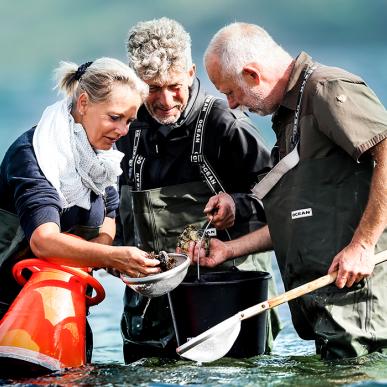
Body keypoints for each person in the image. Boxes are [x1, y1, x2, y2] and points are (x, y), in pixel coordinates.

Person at [196, 22, 387, 359]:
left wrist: (362, 245)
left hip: (361, 302)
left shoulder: (327, 89)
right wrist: (231, 250)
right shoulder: (288, 117)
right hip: (328, 306)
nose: (233, 104)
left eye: (231, 91)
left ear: (252, 75)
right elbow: (297, 218)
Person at [116, 17, 281, 363]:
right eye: (152, 88)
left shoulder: (226, 125)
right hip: (148, 311)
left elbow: (282, 203)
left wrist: (238, 205)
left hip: (227, 301)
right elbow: (113, 211)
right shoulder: (125, 129)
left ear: (192, 74)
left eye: (174, 85)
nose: (165, 100)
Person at [0, 57, 161, 361]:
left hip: (62, 310)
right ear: (84, 103)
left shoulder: (104, 160)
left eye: (129, 121)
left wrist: (104, 255)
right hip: (7, 313)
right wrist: (110, 256)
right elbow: (43, 241)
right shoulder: (34, 155)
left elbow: (108, 220)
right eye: (115, 118)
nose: (123, 131)